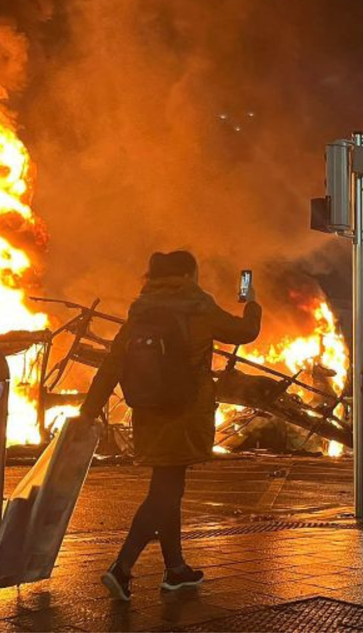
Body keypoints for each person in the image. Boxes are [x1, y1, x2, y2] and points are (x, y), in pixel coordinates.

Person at [80, 250, 261, 601]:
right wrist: (251, 303)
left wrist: (87, 412)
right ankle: (122, 567)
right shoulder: (197, 306)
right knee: (164, 493)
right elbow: (244, 331)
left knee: (168, 489)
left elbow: (112, 366)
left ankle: (175, 568)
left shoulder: (141, 311)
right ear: (189, 275)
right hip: (184, 413)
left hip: (149, 412)